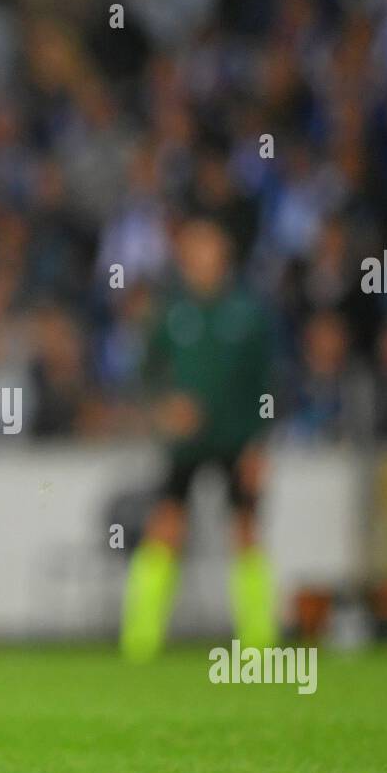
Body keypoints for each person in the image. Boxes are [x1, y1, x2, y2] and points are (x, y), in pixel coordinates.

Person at [120, 218, 276, 661]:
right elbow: (147, 374)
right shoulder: (170, 313)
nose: (201, 260)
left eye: (208, 249)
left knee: (245, 530)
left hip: (237, 439)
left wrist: (259, 443)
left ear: (223, 255)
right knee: (166, 527)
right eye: (193, 251)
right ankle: (140, 640)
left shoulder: (248, 313)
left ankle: (259, 640)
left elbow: (267, 382)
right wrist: (164, 408)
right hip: (187, 445)